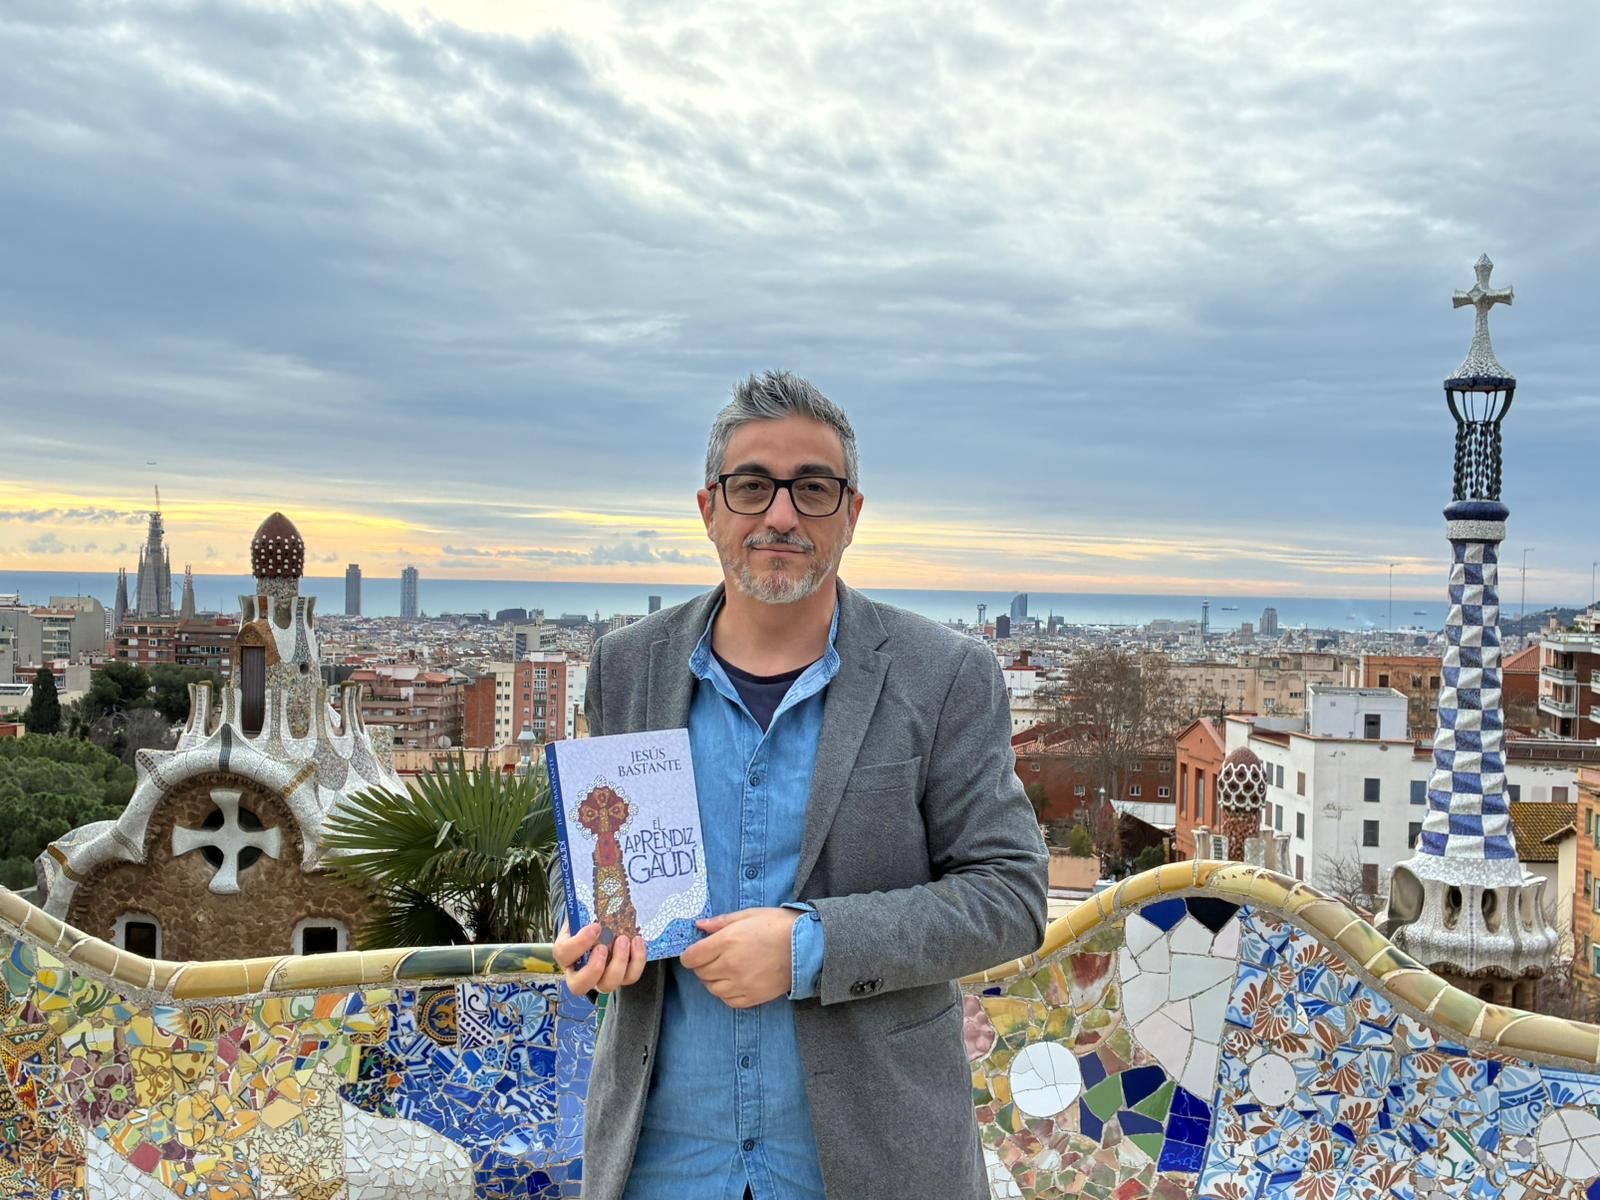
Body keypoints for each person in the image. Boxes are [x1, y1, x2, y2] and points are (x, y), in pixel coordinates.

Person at [551, 371, 1048, 1200]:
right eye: (752, 486)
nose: (781, 515)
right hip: (663, 1159)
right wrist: (583, 928)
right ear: (709, 508)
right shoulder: (628, 666)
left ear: (852, 514)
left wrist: (808, 949)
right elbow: (586, 843)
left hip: (872, 1161)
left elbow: (1011, 895)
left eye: (812, 489)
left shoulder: (943, 675)